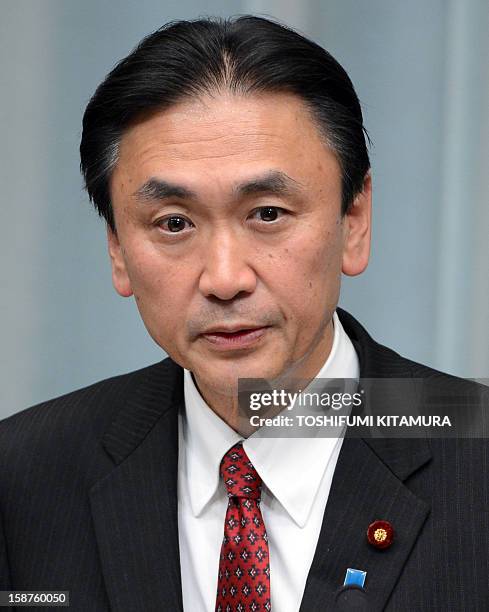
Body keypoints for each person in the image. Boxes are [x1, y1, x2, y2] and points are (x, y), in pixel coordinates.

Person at [0, 16, 487, 612]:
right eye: (173, 224)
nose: (225, 279)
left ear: (354, 222)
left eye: (267, 214)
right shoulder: (23, 473)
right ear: (117, 250)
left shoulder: (473, 445)